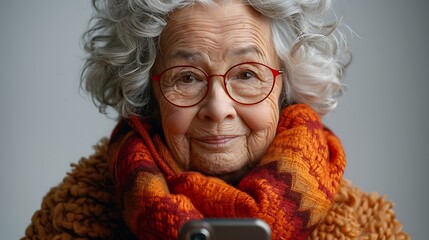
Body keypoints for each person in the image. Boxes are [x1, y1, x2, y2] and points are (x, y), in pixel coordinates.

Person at [22, 0, 409, 239]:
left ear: (285, 89)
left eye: (246, 75)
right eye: (186, 78)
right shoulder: (69, 222)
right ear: (149, 95)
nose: (218, 107)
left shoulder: (367, 227)